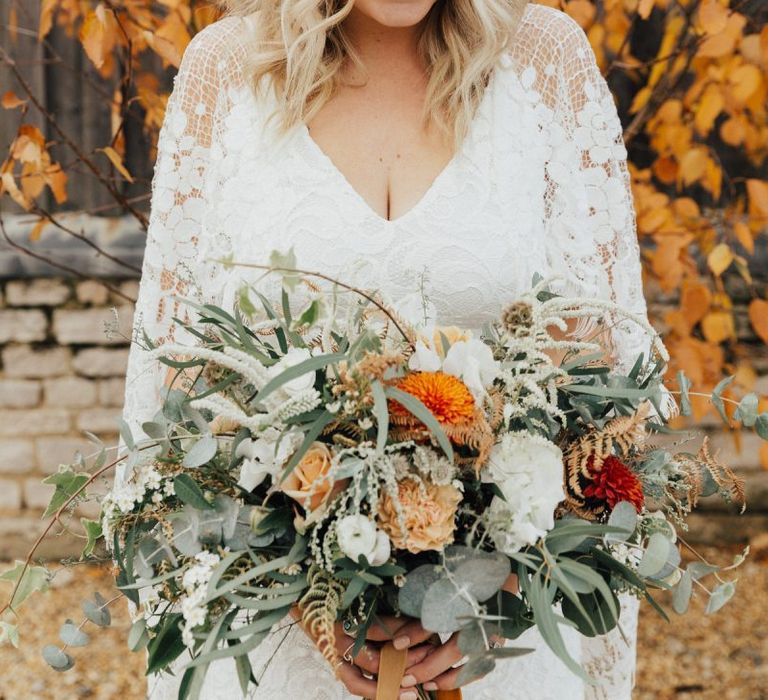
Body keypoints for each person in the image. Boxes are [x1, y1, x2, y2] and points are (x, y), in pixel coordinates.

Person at [122, 0, 652, 697]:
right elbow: (180, 381)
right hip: (280, 648)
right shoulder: (225, 71)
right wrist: (304, 600)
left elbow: (607, 370)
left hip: (498, 650)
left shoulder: (545, 63)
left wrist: (500, 597)